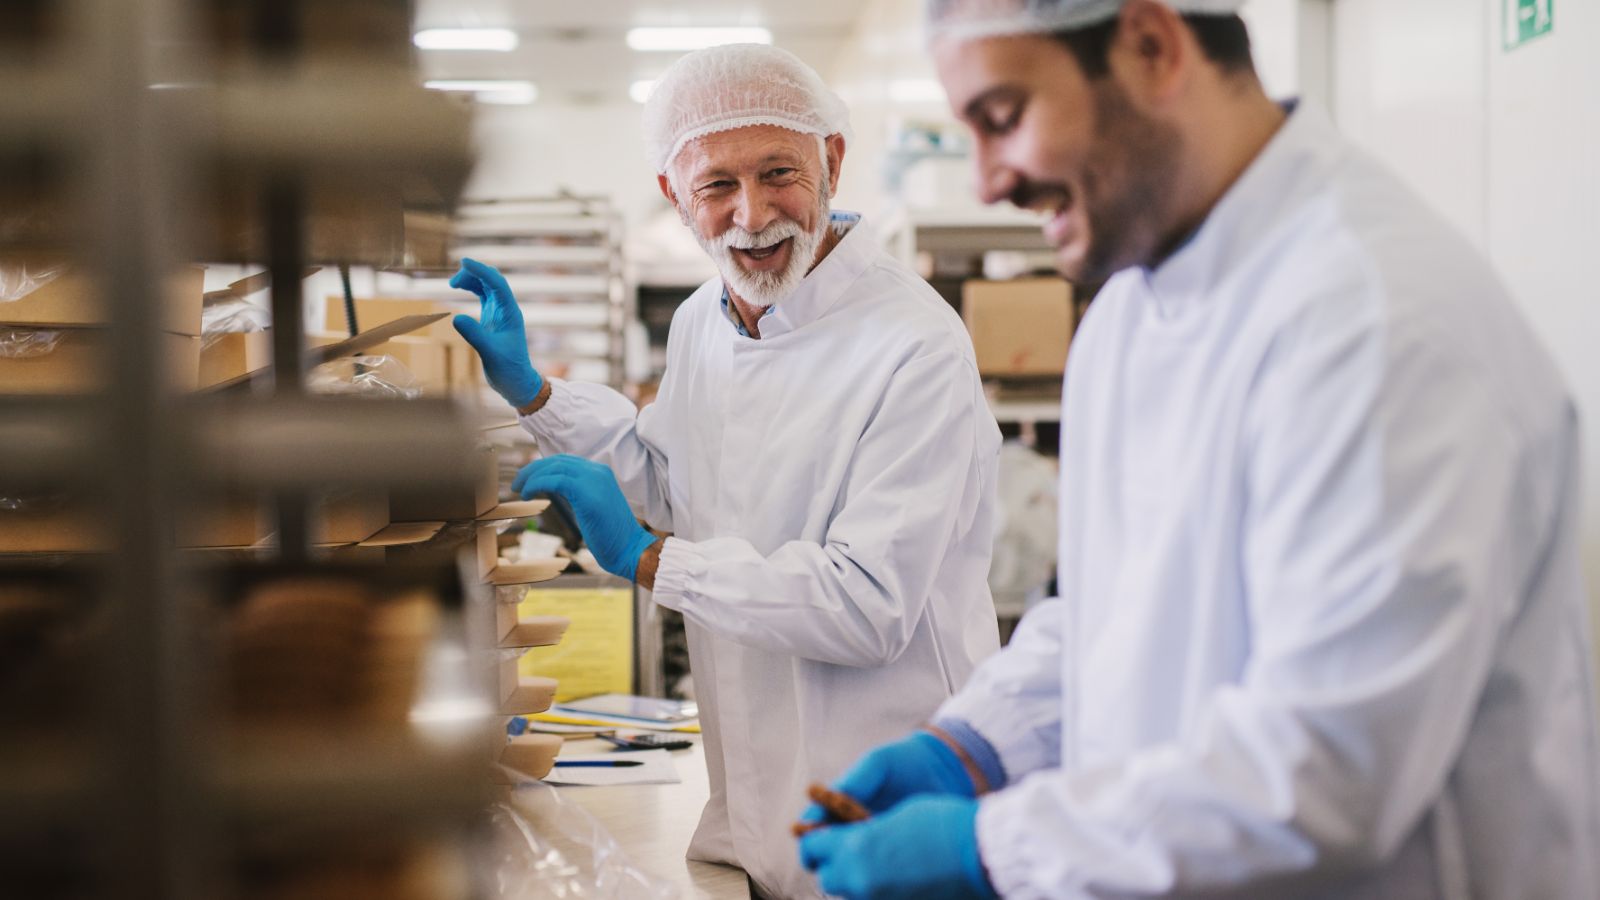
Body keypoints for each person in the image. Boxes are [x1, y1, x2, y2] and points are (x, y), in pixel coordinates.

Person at [797, 1, 1600, 897]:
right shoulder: (1130, 311)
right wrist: (974, 745)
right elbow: (1115, 613)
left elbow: (1321, 773)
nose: (987, 181)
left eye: (1003, 117)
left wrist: (993, 847)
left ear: (1150, 46)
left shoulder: (1378, 321)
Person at [451, 43, 1002, 899]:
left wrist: (650, 559)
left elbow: (868, 607)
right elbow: (676, 483)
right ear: (674, 195)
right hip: (757, 819)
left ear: (833, 161)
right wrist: (535, 393)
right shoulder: (707, 318)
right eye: (716, 185)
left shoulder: (914, 347)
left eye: (779, 171)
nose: (752, 214)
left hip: (897, 819)